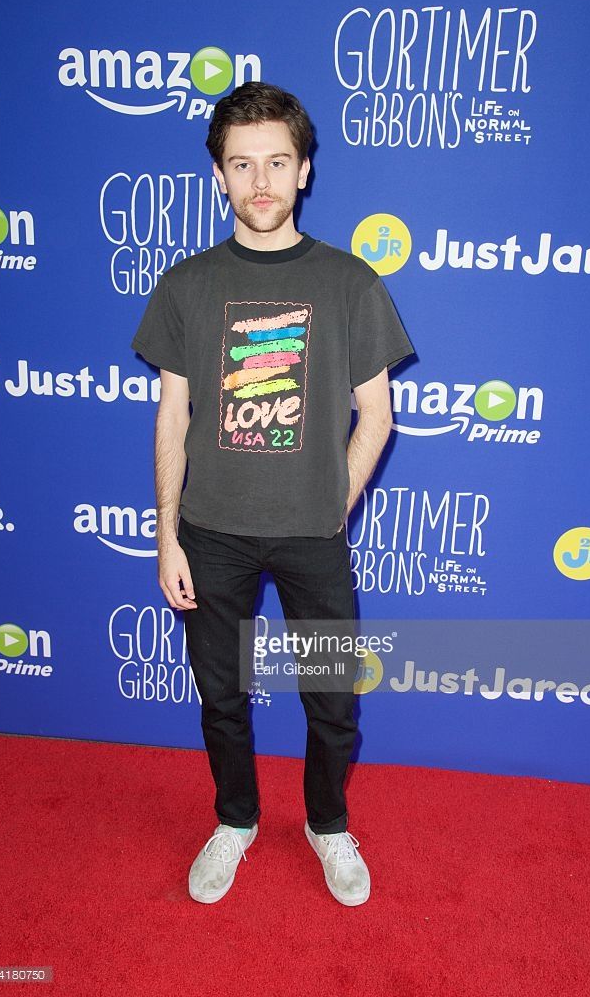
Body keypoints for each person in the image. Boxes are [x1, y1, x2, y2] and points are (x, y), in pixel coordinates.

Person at [130, 81, 415, 907]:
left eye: (277, 163)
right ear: (219, 175)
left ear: (305, 171)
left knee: (332, 701)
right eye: (242, 164)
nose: (261, 181)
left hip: (312, 539)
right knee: (220, 697)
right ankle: (235, 819)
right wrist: (167, 536)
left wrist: (334, 502)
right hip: (210, 535)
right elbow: (173, 415)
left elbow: (376, 413)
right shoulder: (186, 285)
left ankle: (327, 824)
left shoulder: (350, 283)